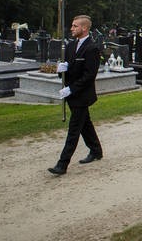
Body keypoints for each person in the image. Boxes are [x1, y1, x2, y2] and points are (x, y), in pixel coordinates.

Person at [48, 15, 103, 175]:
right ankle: (96, 150)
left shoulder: (92, 48)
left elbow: (89, 75)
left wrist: (72, 88)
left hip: (82, 95)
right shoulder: (70, 46)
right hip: (71, 94)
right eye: (72, 26)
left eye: (75, 26)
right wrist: (61, 71)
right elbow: (69, 69)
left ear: (84, 28)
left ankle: (62, 164)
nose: (71, 28)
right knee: (85, 124)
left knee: (74, 130)